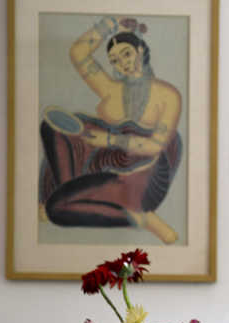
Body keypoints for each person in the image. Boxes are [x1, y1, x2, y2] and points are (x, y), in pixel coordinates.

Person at [39, 16, 183, 244]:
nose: (122, 63)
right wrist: (110, 24)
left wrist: (109, 139)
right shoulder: (110, 89)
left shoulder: (167, 94)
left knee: (55, 209)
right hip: (107, 165)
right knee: (51, 127)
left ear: (140, 50)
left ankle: (142, 219)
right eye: (114, 60)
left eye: (126, 54)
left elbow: (157, 145)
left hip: (142, 176)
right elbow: (78, 53)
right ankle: (69, 191)